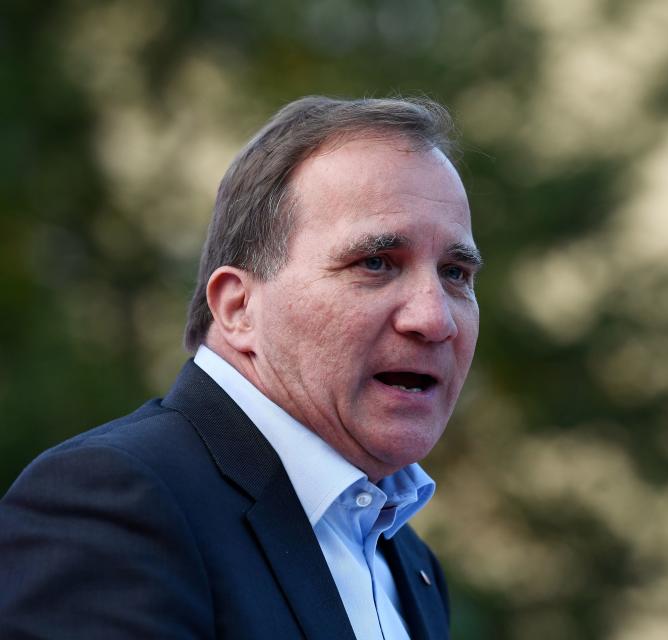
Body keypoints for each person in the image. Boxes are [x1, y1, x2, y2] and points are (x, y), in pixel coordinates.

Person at [0, 95, 482, 640]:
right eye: (374, 263)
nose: (433, 317)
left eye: (456, 274)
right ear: (238, 307)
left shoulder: (410, 562)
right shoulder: (111, 502)